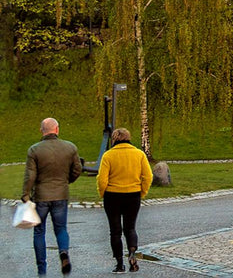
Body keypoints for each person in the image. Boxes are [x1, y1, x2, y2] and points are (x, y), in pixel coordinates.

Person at [22, 116, 84, 277]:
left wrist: (25, 195)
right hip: (60, 195)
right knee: (61, 228)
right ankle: (63, 252)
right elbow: (77, 169)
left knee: (39, 231)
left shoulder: (34, 150)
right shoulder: (70, 148)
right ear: (57, 129)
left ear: (41, 130)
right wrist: (66, 181)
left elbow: (30, 175)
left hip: (41, 196)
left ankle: (41, 270)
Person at [96, 128, 153, 274]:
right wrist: (142, 192)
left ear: (114, 139)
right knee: (130, 228)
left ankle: (119, 263)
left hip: (112, 196)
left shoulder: (108, 155)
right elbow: (148, 176)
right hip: (133, 195)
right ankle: (132, 253)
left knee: (115, 231)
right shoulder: (139, 154)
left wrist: (102, 193)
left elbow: (102, 179)